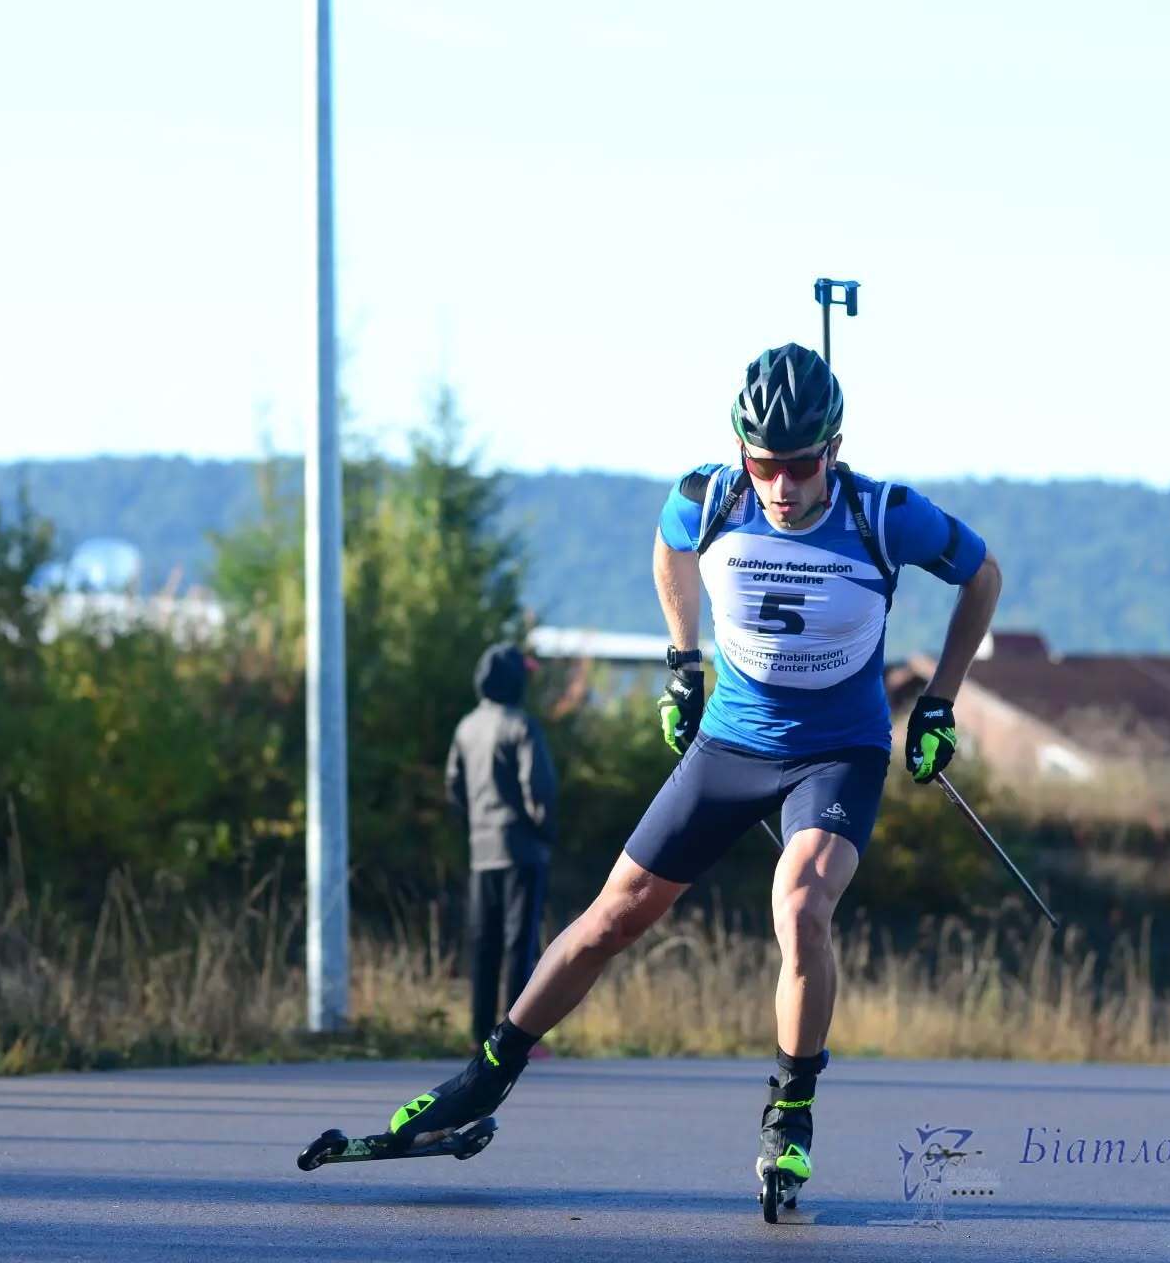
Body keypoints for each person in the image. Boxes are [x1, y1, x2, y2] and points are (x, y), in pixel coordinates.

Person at [355, 341, 1001, 1208]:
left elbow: (983, 574)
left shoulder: (887, 516)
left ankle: (791, 1110)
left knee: (803, 903)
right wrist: (680, 662)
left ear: (833, 451)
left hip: (836, 754)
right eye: (763, 462)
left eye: (800, 464)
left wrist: (939, 701)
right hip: (730, 745)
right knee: (612, 918)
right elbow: (668, 548)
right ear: (741, 452)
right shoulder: (708, 497)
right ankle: (483, 1078)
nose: (780, 484)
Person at [445, 642, 558, 1051]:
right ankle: (514, 1040)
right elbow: (538, 790)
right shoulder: (521, 726)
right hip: (522, 850)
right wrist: (545, 831)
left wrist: (474, 827)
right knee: (520, 945)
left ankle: (479, 1035)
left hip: (482, 850)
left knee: (484, 944)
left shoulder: (465, 727)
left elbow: (454, 788)